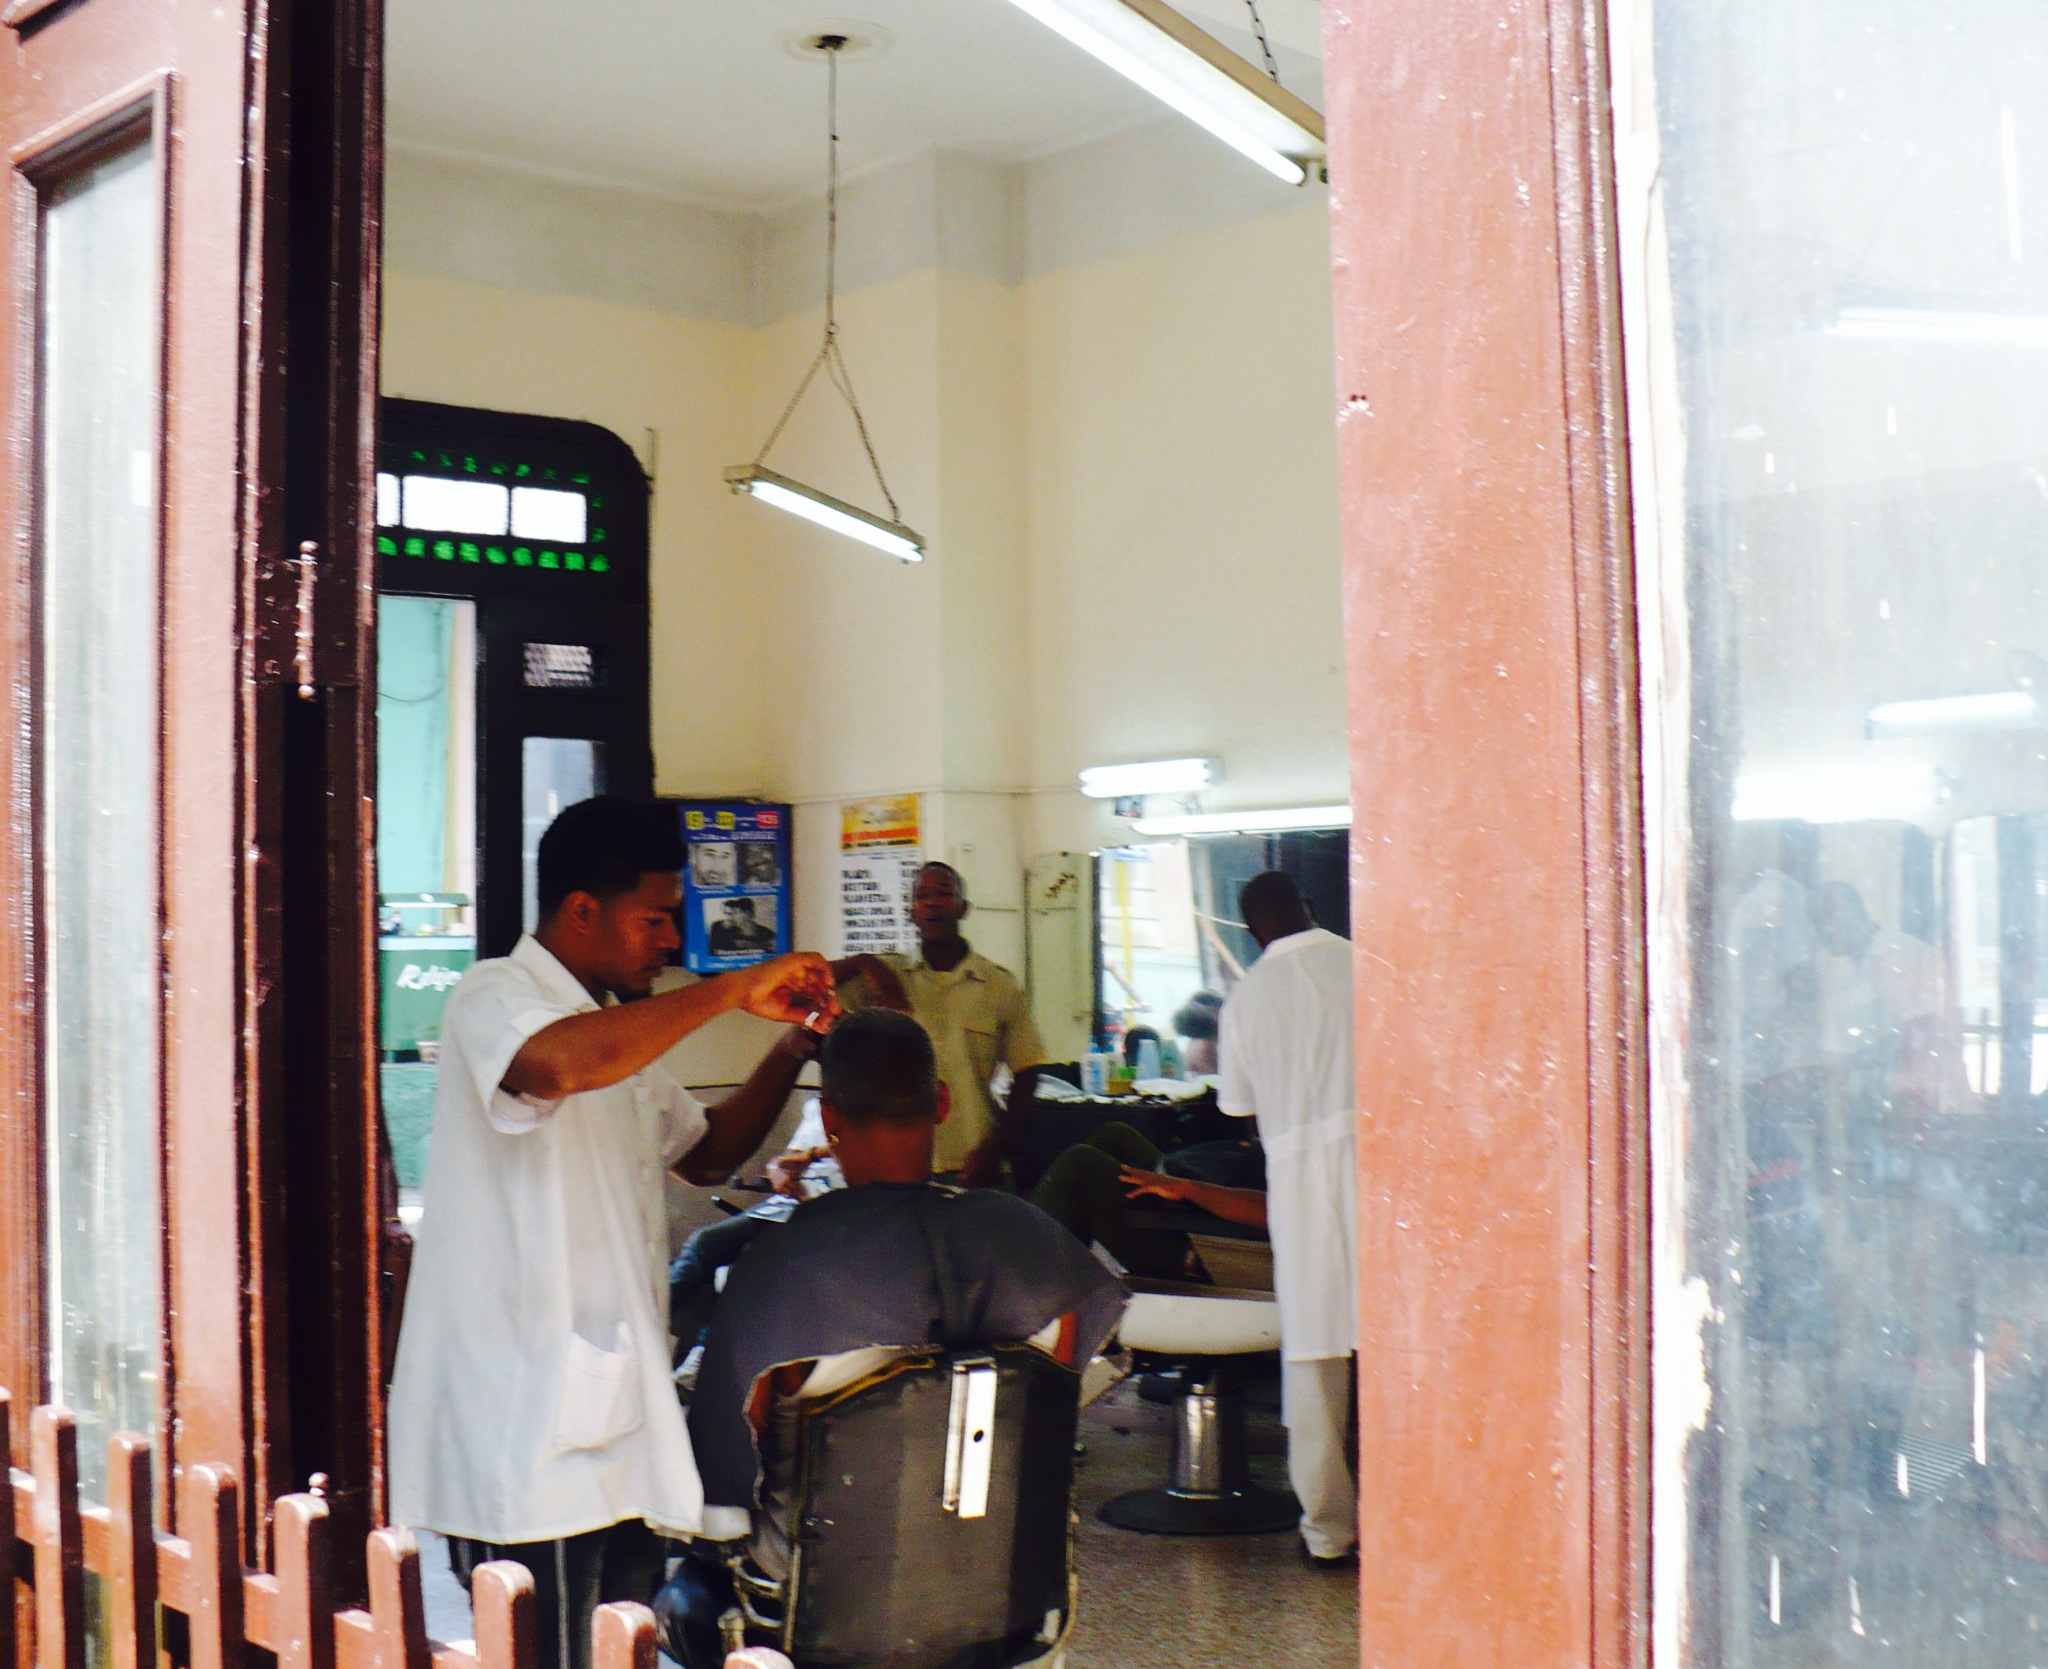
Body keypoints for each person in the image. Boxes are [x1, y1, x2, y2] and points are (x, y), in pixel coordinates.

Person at [386, 796, 840, 1669]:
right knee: (544, 1652)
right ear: (582, 910)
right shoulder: (494, 996)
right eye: (654, 919)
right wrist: (733, 989)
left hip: (614, 1422)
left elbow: (706, 1156)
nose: (668, 940)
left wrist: (789, 1048)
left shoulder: (620, 1033)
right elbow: (558, 1064)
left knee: (619, 1647)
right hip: (521, 1426)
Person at [660, 1009, 1124, 1666]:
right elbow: (1059, 1390)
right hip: (1008, 1596)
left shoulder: (782, 1266)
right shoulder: (1038, 1244)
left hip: (816, 1605)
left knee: (678, 1574)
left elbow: (724, 1493)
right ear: (940, 1102)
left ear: (829, 1117)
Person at [1214, 870, 1358, 1569]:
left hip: (1300, 1189)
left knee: (1314, 1360)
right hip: (1382, 1173)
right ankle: (1421, 1511)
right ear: (1310, 905)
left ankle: (1329, 1531)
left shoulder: (1244, 1000)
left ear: (1251, 931)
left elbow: (1236, 1109)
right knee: (1401, 1351)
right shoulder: (1365, 963)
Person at [827, 862, 1048, 1185]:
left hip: (975, 1163)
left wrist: (996, 1147)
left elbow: (1027, 1073)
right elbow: (808, 986)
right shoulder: (886, 977)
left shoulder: (999, 985)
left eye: (944, 894)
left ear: (963, 908)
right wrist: (863, 962)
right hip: (898, 1164)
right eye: (923, 896)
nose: (932, 903)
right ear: (911, 911)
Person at [707, 896, 775, 956]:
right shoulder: (726, 931)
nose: (731, 918)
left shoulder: (766, 933)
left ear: (748, 914)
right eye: (728, 914)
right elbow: (714, 952)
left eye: (736, 913)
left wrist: (753, 946)